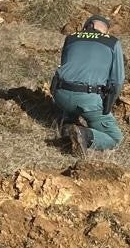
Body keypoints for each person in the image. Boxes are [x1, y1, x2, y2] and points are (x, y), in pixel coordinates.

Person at [50, 14, 125, 156]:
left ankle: (67, 123)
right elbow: (117, 81)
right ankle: (85, 135)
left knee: (71, 107)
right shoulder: (112, 42)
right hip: (87, 98)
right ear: (106, 31)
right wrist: (107, 106)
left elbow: (66, 65)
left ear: (86, 27)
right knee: (115, 138)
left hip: (60, 94)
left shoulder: (71, 38)